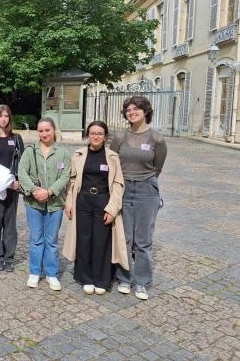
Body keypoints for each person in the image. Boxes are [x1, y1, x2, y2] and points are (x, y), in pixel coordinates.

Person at [110, 96, 167, 301]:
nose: (131, 112)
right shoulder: (119, 137)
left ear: (145, 111)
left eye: (136, 108)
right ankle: (124, 277)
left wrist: (144, 182)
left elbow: (157, 167)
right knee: (124, 237)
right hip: (123, 188)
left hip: (146, 191)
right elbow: (112, 164)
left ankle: (142, 282)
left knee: (143, 240)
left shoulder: (157, 138)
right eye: (128, 109)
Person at [63, 121, 128, 295]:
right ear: (88, 135)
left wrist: (112, 209)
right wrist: (69, 202)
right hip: (83, 201)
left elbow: (118, 183)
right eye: (93, 133)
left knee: (102, 241)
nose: (96, 136)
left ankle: (101, 279)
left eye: (100, 133)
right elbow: (71, 181)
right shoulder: (78, 155)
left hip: (103, 202)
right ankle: (86, 278)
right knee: (84, 239)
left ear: (105, 136)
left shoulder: (112, 157)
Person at [18, 117, 70, 290]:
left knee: (52, 240)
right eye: (41, 131)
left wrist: (49, 191)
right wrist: (34, 190)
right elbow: (22, 172)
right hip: (34, 203)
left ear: (54, 130)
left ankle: (51, 273)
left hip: (55, 203)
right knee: (36, 239)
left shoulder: (63, 153)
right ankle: (34, 272)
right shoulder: (30, 151)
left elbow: (65, 176)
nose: (44, 133)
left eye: (47, 130)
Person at [0, 104, 24, 272]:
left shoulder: (16, 138)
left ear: (9, 118)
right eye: (0, 116)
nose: (3, 119)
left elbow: (22, 163)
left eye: (6, 116)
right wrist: (9, 182)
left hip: (13, 187)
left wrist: (17, 183)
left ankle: (9, 256)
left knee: (10, 222)